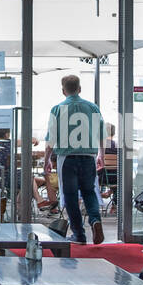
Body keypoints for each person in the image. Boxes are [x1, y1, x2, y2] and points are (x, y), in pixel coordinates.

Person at [46, 75, 105, 244]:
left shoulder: (57, 109)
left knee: (70, 196)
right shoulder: (93, 108)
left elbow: (51, 139)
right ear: (79, 89)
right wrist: (101, 154)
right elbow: (101, 133)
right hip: (88, 157)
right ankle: (95, 220)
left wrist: (47, 159)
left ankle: (79, 235)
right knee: (89, 192)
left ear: (63, 91)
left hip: (67, 158)